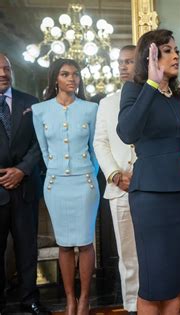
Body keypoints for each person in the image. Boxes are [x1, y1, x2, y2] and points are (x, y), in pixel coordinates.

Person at [116, 29, 180, 315]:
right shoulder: (135, 90)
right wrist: (151, 83)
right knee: (154, 281)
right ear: (150, 56)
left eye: (177, 51)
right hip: (150, 198)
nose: (176, 56)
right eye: (168, 50)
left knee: (174, 280)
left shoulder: (178, 98)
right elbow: (127, 131)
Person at [32, 59, 99, 315]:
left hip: (84, 184)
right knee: (64, 244)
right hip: (56, 185)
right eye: (65, 74)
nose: (72, 79)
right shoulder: (40, 111)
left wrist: (88, 175)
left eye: (76, 74)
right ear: (55, 79)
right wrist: (58, 171)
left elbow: (95, 150)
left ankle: (84, 298)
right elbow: (44, 150)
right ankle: (70, 299)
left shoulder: (91, 109)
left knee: (84, 242)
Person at [94, 45, 139, 315]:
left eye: (130, 61)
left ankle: (156, 302)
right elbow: (100, 143)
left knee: (154, 250)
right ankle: (133, 306)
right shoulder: (107, 103)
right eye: (120, 62)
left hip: (150, 186)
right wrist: (115, 174)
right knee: (128, 254)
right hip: (119, 188)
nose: (123, 67)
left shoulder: (154, 98)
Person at [0, 53, 46, 315]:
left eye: (7, 68)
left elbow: (40, 142)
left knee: (28, 248)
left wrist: (21, 170)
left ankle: (29, 299)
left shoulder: (31, 103)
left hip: (25, 188)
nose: (3, 73)